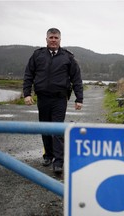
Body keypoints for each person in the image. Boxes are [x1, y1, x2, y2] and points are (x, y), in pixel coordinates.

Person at [23, 28, 83, 174]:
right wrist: (27, 94)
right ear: (46, 39)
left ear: (60, 40)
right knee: (45, 128)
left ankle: (59, 161)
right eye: (51, 37)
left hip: (59, 99)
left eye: (56, 37)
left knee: (56, 129)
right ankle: (48, 156)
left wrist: (79, 98)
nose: (53, 40)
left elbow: (76, 79)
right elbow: (28, 74)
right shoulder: (37, 55)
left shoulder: (68, 57)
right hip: (42, 98)